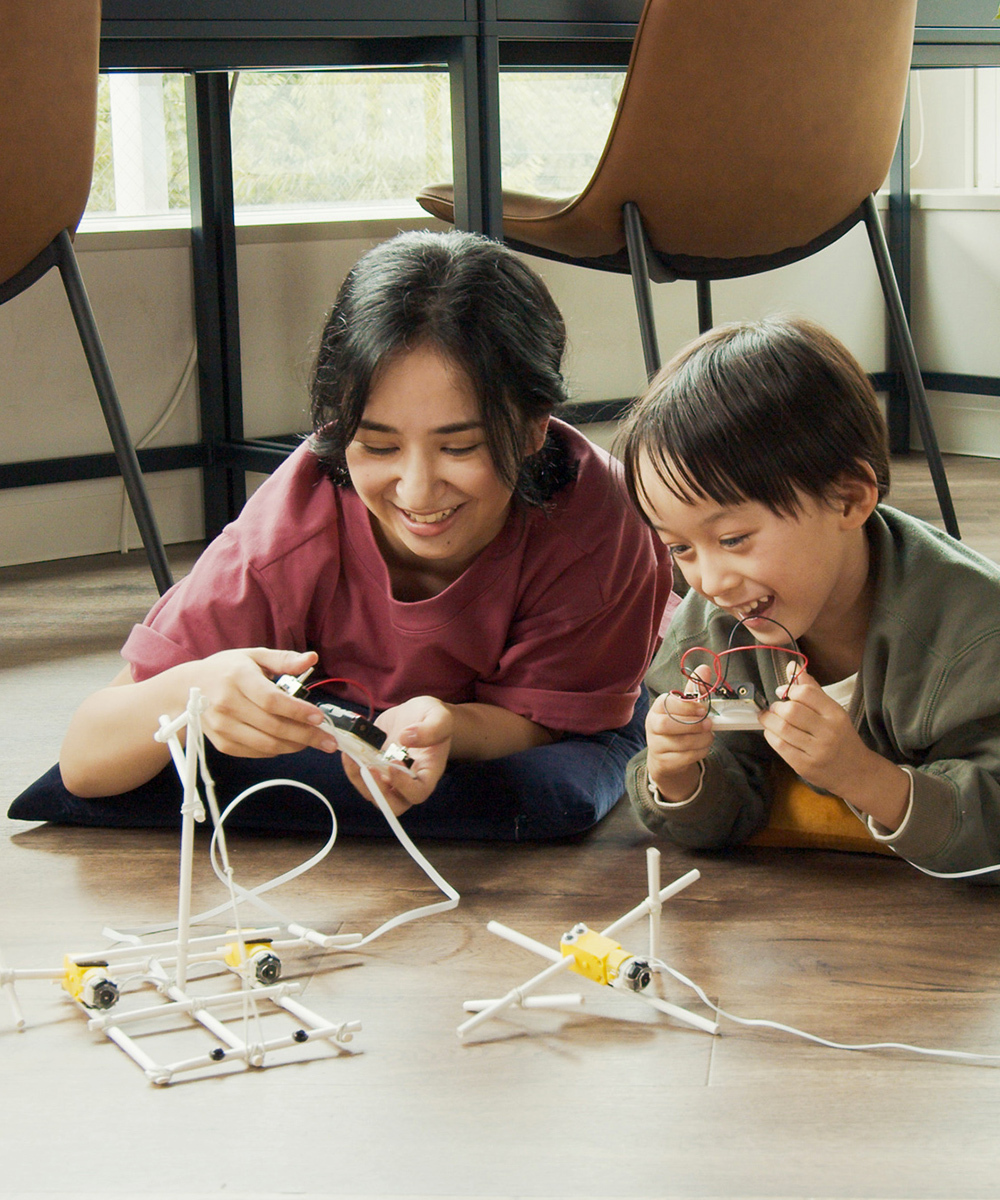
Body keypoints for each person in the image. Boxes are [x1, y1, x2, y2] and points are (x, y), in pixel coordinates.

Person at [10, 230, 670, 841]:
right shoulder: (290, 532)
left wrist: (452, 726)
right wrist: (198, 691)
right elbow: (84, 763)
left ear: (532, 428)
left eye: (459, 446)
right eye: (377, 446)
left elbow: (550, 725)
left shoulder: (601, 529)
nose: (417, 491)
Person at [617, 314, 1000, 878]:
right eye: (680, 548)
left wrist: (863, 777)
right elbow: (727, 803)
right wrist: (678, 777)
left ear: (848, 500)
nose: (710, 582)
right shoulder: (710, 627)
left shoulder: (975, 638)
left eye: (733, 539)